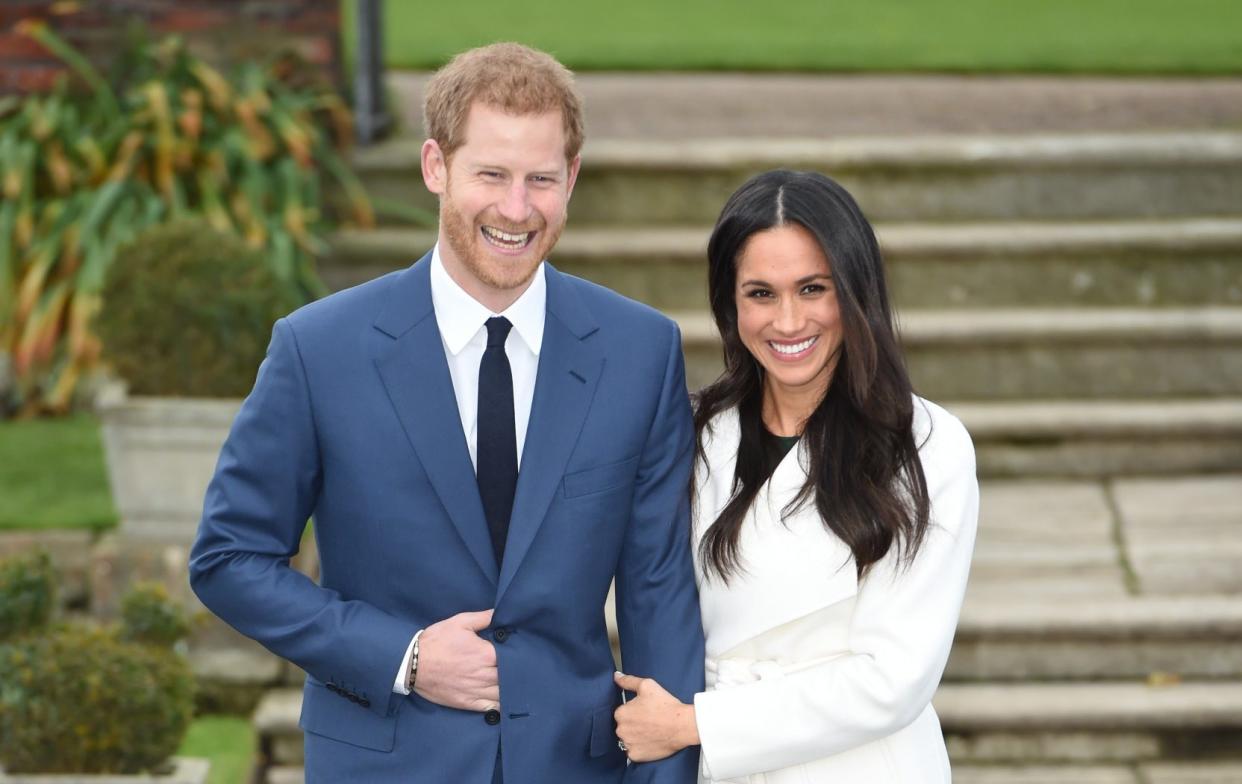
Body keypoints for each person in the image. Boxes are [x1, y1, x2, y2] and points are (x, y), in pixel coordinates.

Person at [189, 43, 704, 784]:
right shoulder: (318, 349)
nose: (517, 208)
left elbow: (660, 595)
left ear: (573, 179)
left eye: (542, 180)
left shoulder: (640, 351)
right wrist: (404, 657)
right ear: (436, 167)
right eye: (491, 174)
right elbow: (228, 558)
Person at [613, 170, 979, 783]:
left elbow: (892, 679)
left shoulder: (927, 446)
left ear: (857, 292)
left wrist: (695, 725)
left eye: (813, 289)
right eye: (761, 293)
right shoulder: (693, 431)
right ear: (730, 303)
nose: (787, 322)